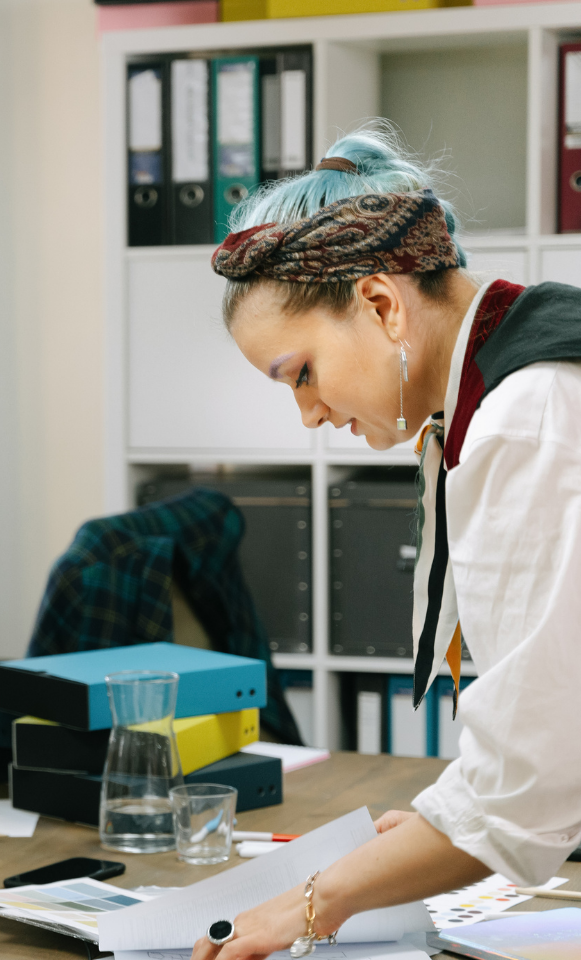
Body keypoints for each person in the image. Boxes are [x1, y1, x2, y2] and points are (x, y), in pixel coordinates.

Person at [193, 125, 581, 959]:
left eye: (300, 374)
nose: (310, 415)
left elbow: (523, 794)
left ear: (380, 303)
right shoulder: (518, 375)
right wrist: (447, 824)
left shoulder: (529, 417)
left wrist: (310, 904)